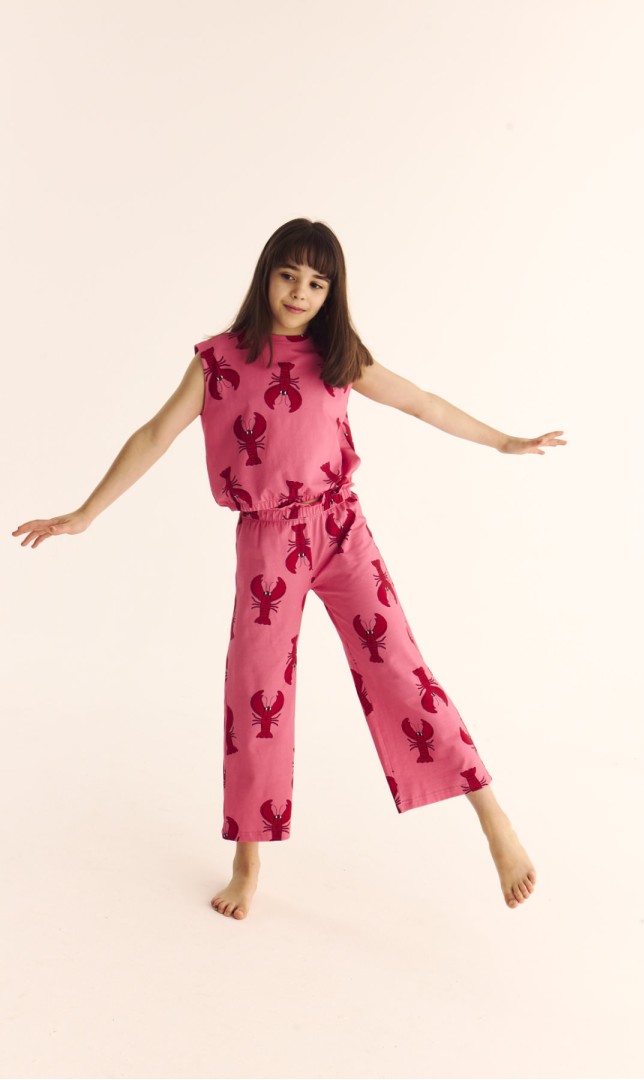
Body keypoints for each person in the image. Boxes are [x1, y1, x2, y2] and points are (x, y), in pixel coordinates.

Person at [12, 218, 565, 920]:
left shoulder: (338, 356)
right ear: (266, 275)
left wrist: (503, 441)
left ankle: (491, 816)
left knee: (400, 665)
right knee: (256, 691)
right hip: (267, 541)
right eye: (289, 275)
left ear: (332, 292)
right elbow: (154, 434)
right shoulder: (218, 361)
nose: (301, 292)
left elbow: (421, 401)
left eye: (317, 282)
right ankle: (248, 860)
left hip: (341, 529)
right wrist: (86, 512)